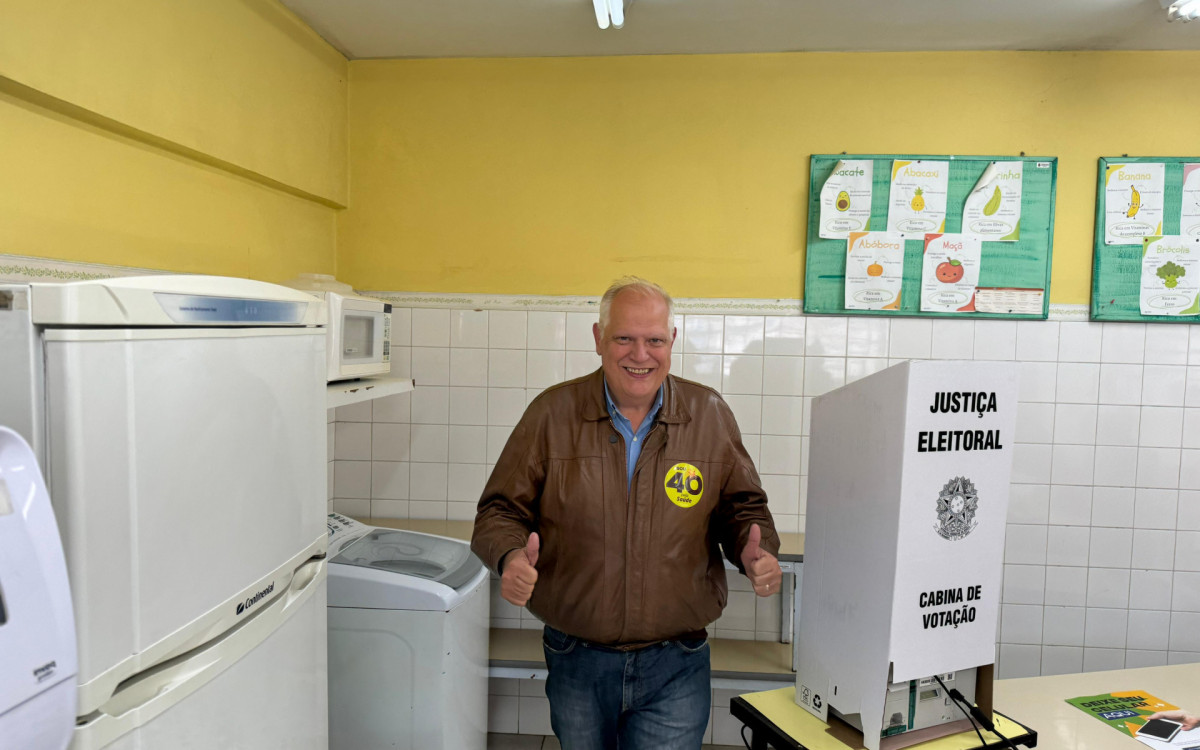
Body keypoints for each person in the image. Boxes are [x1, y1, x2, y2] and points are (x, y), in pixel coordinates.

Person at [471, 276, 783, 750]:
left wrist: (754, 552)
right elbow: (499, 510)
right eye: (625, 338)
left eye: (654, 340)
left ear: (671, 341)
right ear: (598, 339)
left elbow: (742, 508)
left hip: (676, 658)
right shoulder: (552, 414)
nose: (641, 354)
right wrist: (509, 555)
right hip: (577, 655)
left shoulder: (709, 413)